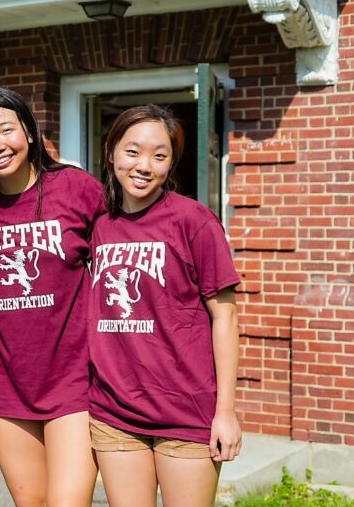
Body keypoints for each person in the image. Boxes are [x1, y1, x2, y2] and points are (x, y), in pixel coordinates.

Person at [0, 88, 105, 506]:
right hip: (9, 384)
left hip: (75, 380)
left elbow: (123, 250)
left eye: (7, 130)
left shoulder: (76, 188)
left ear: (31, 133)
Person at [88, 104, 242, 507]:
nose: (144, 166)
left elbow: (224, 318)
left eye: (160, 155)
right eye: (133, 151)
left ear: (172, 162)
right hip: (115, 411)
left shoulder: (195, 221)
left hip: (186, 411)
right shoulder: (99, 224)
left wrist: (225, 413)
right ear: (111, 152)